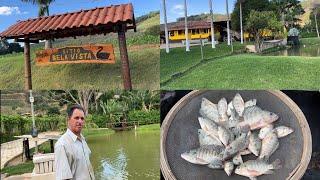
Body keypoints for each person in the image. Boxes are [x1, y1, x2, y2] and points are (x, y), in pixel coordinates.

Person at [55, 105, 95, 180]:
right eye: (76, 118)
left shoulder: (82, 140)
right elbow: (63, 178)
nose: (80, 121)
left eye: (82, 118)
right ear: (68, 120)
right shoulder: (62, 145)